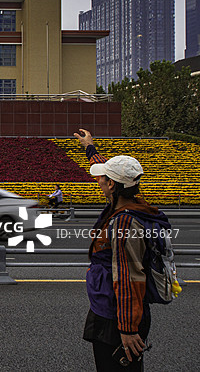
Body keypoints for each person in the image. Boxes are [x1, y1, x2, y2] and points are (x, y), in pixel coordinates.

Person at [75, 128, 166, 371]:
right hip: (112, 307)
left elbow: (129, 276)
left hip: (116, 316)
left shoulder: (124, 222)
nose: (98, 181)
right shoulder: (131, 203)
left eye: (103, 179)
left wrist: (127, 329)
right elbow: (114, 172)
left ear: (112, 184)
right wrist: (89, 147)